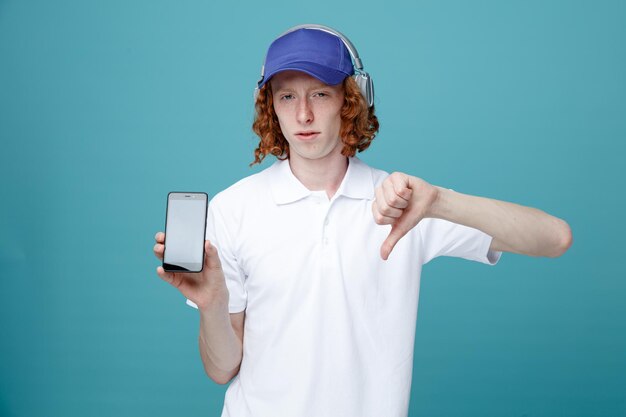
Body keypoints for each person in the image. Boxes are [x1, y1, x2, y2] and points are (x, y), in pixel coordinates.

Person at [152, 24, 572, 417]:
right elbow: (222, 369)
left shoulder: (405, 202)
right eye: (286, 97)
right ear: (271, 107)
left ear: (352, 100)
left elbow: (554, 238)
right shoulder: (233, 208)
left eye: (319, 94)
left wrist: (441, 201)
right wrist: (213, 306)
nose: (302, 116)